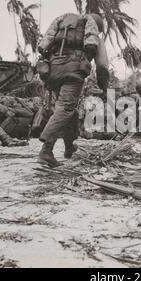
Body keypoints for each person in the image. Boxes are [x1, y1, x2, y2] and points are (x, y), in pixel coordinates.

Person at [37, 12, 109, 167]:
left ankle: (69, 146)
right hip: (73, 73)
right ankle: (46, 151)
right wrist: (104, 89)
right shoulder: (93, 36)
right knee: (65, 108)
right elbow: (102, 66)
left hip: (52, 72)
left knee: (69, 109)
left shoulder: (63, 28)